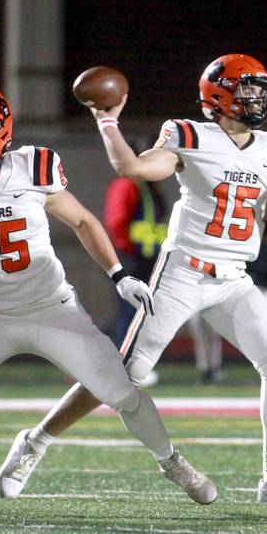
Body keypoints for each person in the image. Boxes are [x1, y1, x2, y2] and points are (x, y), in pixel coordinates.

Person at [0, 85, 216, 513]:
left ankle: (172, 461)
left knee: (122, 391)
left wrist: (119, 276)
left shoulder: (34, 167)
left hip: (52, 309)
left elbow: (83, 221)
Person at [0, 54, 267, 503]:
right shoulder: (189, 135)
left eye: (259, 89)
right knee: (125, 372)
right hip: (185, 271)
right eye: (247, 88)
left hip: (233, 277)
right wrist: (107, 124)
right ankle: (34, 441)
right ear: (220, 95)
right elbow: (132, 169)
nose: (258, 97)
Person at [189, 234, 267, 384]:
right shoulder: (227, 226)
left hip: (265, 291)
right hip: (230, 290)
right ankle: (210, 369)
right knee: (201, 309)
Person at [102, 162, 168, 386]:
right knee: (128, 313)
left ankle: (129, 364)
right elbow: (117, 222)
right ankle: (124, 366)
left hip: (146, 258)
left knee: (139, 313)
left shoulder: (149, 187)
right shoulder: (128, 185)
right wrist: (126, 253)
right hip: (131, 258)